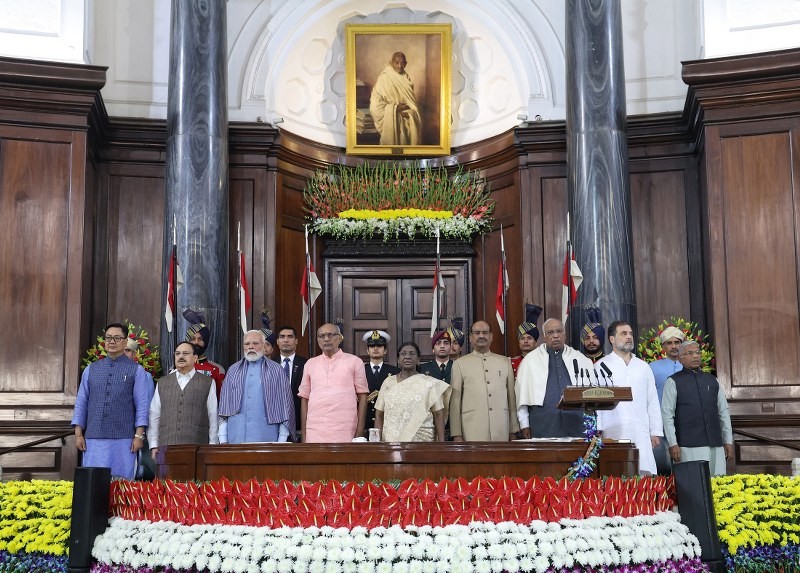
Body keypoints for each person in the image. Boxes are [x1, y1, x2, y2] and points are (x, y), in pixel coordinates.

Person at [71, 322, 151, 480]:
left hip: (124, 440)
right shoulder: (91, 369)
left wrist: (138, 436)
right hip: (94, 438)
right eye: (108, 338)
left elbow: (142, 405)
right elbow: (81, 402)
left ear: (125, 341)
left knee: (122, 486)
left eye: (116, 338)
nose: (112, 342)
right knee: (93, 484)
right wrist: (78, 434)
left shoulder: (136, 370)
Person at [595, 321, 663, 475]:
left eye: (631, 334)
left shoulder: (643, 366)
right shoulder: (600, 366)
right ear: (612, 339)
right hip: (612, 430)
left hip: (641, 430)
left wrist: (655, 431)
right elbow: (596, 403)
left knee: (644, 475)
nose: (629, 337)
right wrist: (598, 429)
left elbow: (652, 400)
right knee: (614, 476)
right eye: (624, 334)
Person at [661, 340, 734, 476]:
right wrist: (672, 443)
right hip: (688, 446)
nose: (695, 356)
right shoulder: (673, 381)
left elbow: (723, 412)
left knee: (717, 487)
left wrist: (728, 441)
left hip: (716, 445)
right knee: (694, 486)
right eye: (690, 353)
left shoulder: (712, 380)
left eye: (697, 352)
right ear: (680, 359)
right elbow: (667, 415)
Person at [516, 318, 593, 438]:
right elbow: (522, 395)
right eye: (551, 332)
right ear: (544, 336)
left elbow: (593, 397)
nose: (556, 336)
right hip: (543, 424)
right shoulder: (530, 361)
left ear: (564, 334)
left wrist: (596, 425)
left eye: (559, 331)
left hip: (576, 423)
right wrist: (524, 424)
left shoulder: (581, 359)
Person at [218, 330, 295, 443]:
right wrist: (223, 438)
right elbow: (224, 406)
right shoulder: (233, 370)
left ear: (264, 346)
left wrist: (282, 440)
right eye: (247, 344)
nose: (251, 347)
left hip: (266, 436)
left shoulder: (276, 370)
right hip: (235, 436)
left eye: (255, 343)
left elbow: (285, 406)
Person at [449, 320, 519, 441]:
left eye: (485, 332)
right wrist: (456, 433)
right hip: (471, 429)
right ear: (471, 337)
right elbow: (455, 401)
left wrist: (513, 429)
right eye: (477, 333)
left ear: (491, 336)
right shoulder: (459, 364)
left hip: (501, 429)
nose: (481, 336)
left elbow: (511, 399)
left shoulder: (504, 362)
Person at [298, 323, 369, 442]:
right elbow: (305, 398)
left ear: (340, 338)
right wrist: (304, 435)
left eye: (330, 335)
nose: (326, 339)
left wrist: (359, 432)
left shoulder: (355, 362)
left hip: (346, 430)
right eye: (322, 336)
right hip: (315, 431)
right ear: (318, 340)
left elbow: (363, 396)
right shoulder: (310, 364)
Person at [148, 342, 218, 459]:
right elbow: (154, 414)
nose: (181, 357)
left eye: (185, 353)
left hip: (197, 447)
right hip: (166, 446)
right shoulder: (163, 382)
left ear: (195, 358)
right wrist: (154, 445)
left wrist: (212, 446)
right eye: (177, 354)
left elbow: (213, 415)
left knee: (195, 477)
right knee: (167, 477)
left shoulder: (208, 382)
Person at [374, 342, 451, 442]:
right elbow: (379, 414)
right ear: (398, 359)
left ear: (418, 360)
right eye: (403, 353)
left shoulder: (429, 384)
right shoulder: (388, 382)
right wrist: (377, 442)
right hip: (391, 443)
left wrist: (441, 443)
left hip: (422, 443)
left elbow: (438, 414)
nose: (407, 357)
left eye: (412, 353)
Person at [649, 325, 685, 474]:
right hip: (662, 424)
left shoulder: (689, 366)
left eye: (677, 342)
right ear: (663, 346)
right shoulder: (652, 367)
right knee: (663, 466)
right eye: (669, 343)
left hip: (685, 423)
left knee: (685, 464)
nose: (674, 346)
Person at [369, 51, 421, 146]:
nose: (400, 66)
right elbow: (375, 105)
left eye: (402, 63)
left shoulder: (406, 79)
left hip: (406, 120)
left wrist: (410, 114)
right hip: (391, 120)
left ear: (406, 63)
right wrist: (395, 108)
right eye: (397, 63)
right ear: (391, 63)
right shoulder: (384, 78)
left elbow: (412, 104)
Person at [183, 308, 226, 399]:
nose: (196, 342)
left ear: (206, 341)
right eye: (193, 339)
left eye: (200, 339)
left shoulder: (217, 370)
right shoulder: (177, 367)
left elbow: (221, 401)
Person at [363, 329, 400, 431]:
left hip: (387, 420)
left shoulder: (395, 371)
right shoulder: (360, 370)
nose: (375, 348)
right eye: (372, 346)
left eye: (379, 346)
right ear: (367, 350)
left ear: (385, 350)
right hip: (365, 420)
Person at [275, 325, 307, 438]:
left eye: (290, 337)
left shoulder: (307, 364)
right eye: (282, 337)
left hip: (298, 421)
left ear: (296, 341)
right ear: (277, 341)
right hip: (275, 422)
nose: (286, 340)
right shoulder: (269, 364)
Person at [511, 303, 543, 377]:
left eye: (529, 338)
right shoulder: (512, 362)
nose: (525, 341)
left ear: (535, 342)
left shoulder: (543, 360)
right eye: (522, 338)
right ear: (519, 342)